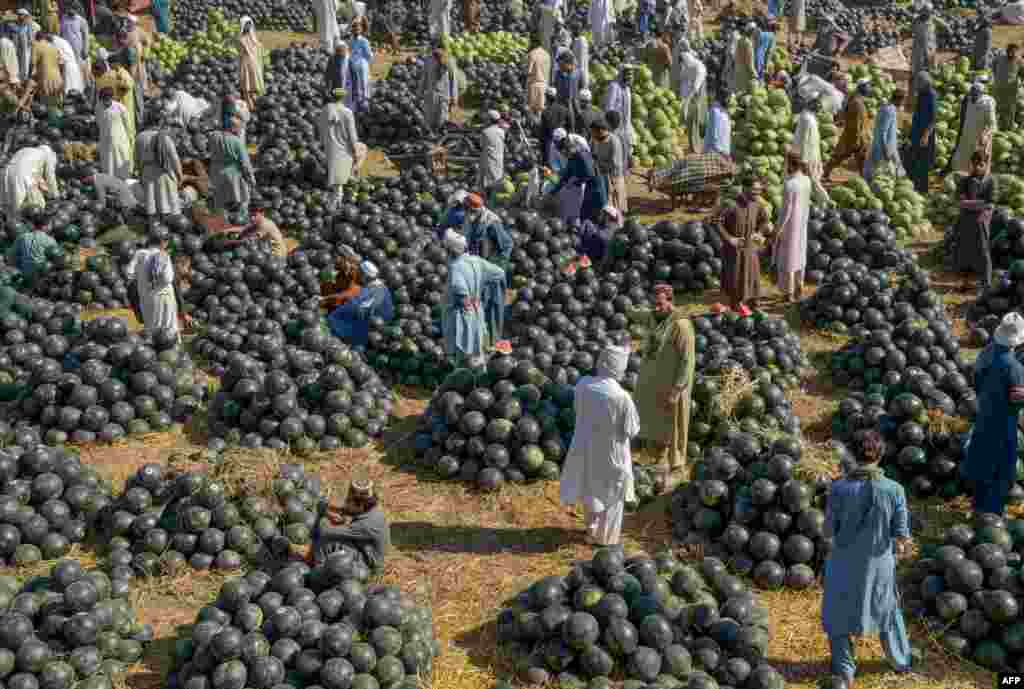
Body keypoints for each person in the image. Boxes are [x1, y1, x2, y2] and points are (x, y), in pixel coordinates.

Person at [822, 429, 915, 689]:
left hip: (843, 562)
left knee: (837, 613)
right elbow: (902, 535)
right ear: (881, 455)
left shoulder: (838, 488)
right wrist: (900, 550)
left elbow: (828, 531)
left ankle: (845, 671)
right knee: (887, 609)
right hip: (879, 564)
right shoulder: (895, 489)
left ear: (852, 454)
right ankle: (900, 660)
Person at [559, 343, 638, 546]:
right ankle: (606, 540)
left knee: (590, 488)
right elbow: (632, 429)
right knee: (612, 494)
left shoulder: (583, 385)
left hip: (585, 446)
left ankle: (591, 530)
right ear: (619, 368)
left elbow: (578, 409)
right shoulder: (622, 397)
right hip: (612, 452)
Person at [962, 313, 1024, 516]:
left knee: (981, 464)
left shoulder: (986, 353)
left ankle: (978, 507)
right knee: (1002, 473)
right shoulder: (1014, 368)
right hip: (1003, 424)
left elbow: (976, 380)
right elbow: (1017, 400)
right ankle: (991, 514)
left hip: (983, 417)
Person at [635, 285, 695, 490]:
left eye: (660, 304)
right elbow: (636, 314)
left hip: (673, 387)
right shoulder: (654, 318)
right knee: (659, 427)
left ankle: (677, 469)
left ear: (670, 301)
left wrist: (677, 389)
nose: (656, 308)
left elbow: (687, 361)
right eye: (654, 304)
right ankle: (659, 465)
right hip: (656, 386)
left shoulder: (681, 325)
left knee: (675, 427)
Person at [291, 480, 390, 572]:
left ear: (360, 505)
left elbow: (324, 531)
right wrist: (331, 508)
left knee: (326, 540)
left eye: (348, 501)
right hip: (363, 549)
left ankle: (317, 573)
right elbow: (348, 511)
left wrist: (323, 514)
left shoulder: (365, 525)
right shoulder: (371, 510)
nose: (345, 504)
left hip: (368, 563)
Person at [442, 229, 507, 366]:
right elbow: (499, 273)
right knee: (479, 350)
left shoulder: (456, 267)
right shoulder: (477, 261)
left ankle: (464, 380)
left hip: (462, 318)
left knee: (464, 355)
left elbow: (461, 291)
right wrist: (482, 288)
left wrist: (465, 302)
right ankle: (479, 376)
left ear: (450, 251)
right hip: (478, 311)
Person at [714, 171, 770, 310]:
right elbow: (717, 222)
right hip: (734, 250)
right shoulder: (731, 204)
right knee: (736, 279)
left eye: (759, 190)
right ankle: (735, 305)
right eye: (755, 190)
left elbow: (764, 220)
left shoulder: (757, 204)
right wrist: (730, 239)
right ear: (745, 188)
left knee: (752, 277)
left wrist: (759, 232)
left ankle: (753, 304)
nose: (758, 193)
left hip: (750, 248)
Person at [952, 151, 997, 291]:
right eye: (975, 164)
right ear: (971, 164)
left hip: (982, 221)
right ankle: (965, 282)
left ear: (986, 165)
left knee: (983, 252)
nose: (977, 167)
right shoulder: (965, 181)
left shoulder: (990, 182)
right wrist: (980, 204)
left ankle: (986, 283)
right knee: (964, 252)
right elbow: (961, 202)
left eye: (981, 165)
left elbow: (990, 204)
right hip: (965, 222)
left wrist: (971, 204)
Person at [327, 260, 395, 347]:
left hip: (369, 329)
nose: (356, 274)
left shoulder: (374, 292)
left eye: (358, 272)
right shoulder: (377, 286)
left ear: (364, 276)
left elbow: (357, 308)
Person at [773, 152, 811, 302]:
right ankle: (799, 285)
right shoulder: (806, 180)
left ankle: (788, 293)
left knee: (787, 259)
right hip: (802, 221)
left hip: (791, 225)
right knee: (800, 254)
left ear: (790, 164)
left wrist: (779, 228)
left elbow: (786, 210)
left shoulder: (790, 184)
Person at [126, 235, 179, 340]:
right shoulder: (163, 255)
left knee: (150, 326)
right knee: (168, 327)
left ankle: (151, 347)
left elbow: (129, 273)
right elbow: (168, 278)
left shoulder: (139, 254)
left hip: (145, 297)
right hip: (163, 295)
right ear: (163, 243)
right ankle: (169, 347)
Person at [550, 135, 606, 224]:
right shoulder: (571, 159)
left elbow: (589, 174)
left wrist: (574, 182)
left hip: (597, 190)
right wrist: (553, 191)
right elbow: (565, 177)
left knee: (598, 217)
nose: (564, 155)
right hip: (588, 190)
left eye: (564, 153)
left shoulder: (582, 155)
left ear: (568, 149)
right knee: (584, 217)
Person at [320, 87, 362, 204]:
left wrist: (323, 141)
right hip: (344, 146)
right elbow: (352, 134)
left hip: (330, 145)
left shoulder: (325, 110)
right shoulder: (347, 112)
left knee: (334, 169)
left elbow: (320, 127)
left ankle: (339, 192)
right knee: (342, 172)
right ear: (343, 98)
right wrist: (355, 148)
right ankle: (338, 200)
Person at [209, 118, 255, 221]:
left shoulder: (213, 136)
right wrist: (251, 178)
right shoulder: (237, 142)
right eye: (239, 128)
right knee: (242, 198)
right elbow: (245, 163)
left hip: (215, 171)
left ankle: (220, 221)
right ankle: (240, 220)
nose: (240, 130)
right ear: (233, 128)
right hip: (232, 173)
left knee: (220, 200)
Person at [824, 79, 870, 182]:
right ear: (862, 88)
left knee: (861, 159)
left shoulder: (858, 100)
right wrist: (857, 139)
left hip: (858, 136)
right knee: (840, 156)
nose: (869, 88)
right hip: (853, 136)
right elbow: (856, 123)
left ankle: (864, 178)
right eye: (867, 86)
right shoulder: (856, 102)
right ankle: (825, 172)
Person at [949, 82, 996, 176]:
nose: (973, 96)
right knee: (960, 161)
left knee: (977, 163)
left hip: (979, 138)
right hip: (966, 135)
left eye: (975, 94)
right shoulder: (968, 100)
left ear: (981, 93)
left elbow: (992, 124)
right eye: (972, 93)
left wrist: (986, 135)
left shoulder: (987, 103)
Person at [1, 144, 58, 221]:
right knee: (37, 204)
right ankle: (32, 226)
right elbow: (50, 175)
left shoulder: (26, 150)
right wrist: (55, 194)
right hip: (22, 174)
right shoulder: (48, 155)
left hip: (5, 173)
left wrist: (46, 190)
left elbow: (37, 177)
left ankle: (10, 225)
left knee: (9, 206)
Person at [904, 72, 937, 194]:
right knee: (913, 160)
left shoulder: (931, 95)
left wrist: (926, 136)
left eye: (919, 84)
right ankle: (913, 187)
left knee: (923, 164)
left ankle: (923, 190)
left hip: (925, 135)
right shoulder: (921, 94)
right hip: (916, 132)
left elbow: (933, 119)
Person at [138, 127, 182, 218]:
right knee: (168, 205)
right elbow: (175, 159)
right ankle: (172, 225)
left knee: (152, 206)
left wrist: (140, 174)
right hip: (163, 172)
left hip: (147, 172)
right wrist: (179, 175)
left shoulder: (139, 137)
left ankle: (155, 225)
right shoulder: (165, 137)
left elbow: (136, 159)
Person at [863, 89, 905, 183]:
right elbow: (883, 132)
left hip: (884, 145)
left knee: (891, 170)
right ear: (899, 100)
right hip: (885, 147)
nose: (903, 103)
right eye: (903, 101)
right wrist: (885, 151)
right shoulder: (889, 111)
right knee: (880, 173)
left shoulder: (885, 108)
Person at [793, 98, 829, 201]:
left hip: (811, 156)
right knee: (813, 181)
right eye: (817, 103)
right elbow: (805, 142)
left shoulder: (809, 116)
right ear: (810, 103)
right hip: (807, 157)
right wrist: (804, 161)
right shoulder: (807, 120)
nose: (820, 106)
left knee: (811, 182)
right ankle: (825, 201)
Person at [464, 193, 513, 266]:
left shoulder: (492, 223)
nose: (467, 212)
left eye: (471, 211)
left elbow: (507, 245)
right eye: (466, 209)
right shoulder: (471, 218)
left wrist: (493, 264)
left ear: (478, 210)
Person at [910, 4, 943, 110]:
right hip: (920, 50)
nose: (927, 16)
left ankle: (930, 92)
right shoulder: (918, 22)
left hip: (930, 48)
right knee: (918, 72)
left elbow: (942, 24)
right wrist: (925, 52)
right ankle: (917, 95)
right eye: (925, 14)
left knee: (931, 70)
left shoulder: (931, 19)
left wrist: (946, 28)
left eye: (928, 14)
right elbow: (921, 38)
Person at [677, 39, 707, 154]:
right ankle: (691, 143)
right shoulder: (687, 64)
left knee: (694, 116)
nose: (683, 66)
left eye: (683, 64)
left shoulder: (699, 68)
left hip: (698, 92)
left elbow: (695, 88)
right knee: (689, 118)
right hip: (691, 91)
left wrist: (686, 102)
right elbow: (683, 79)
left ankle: (696, 146)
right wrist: (683, 99)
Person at [591, 116, 626, 213]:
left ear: (601, 131)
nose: (592, 135)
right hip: (602, 175)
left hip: (613, 176)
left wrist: (608, 178)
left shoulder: (614, 141)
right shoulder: (595, 139)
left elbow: (614, 164)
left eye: (594, 132)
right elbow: (594, 154)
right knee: (606, 206)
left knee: (616, 206)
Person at [420, 45, 458, 134]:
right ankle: (431, 136)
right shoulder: (429, 60)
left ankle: (441, 137)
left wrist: (454, 97)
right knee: (430, 118)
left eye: (441, 50)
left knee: (442, 119)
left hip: (444, 95)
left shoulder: (450, 61)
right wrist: (419, 93)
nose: (438, 51)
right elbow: (424, 78)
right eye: (436, 50)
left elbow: (453, 80)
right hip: (431, 94)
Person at [96, 86, 132, 179]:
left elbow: (128, 125)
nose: (105, 102)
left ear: (112, 98)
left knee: (121, 163)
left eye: (107, 99)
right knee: (108, 165)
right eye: (103, 99)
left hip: (120, 141)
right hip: (105, 141)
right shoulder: (98, 107)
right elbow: (99, 123)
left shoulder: (120, 108)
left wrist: (130, 138)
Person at [603, 65, 633, 171]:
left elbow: (628, 111)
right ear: (621, 74)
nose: (630, 76)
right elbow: (609, 108)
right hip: (615, 127)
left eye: (631, 74)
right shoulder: (614, 87)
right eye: (628, 74)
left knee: (624, 152)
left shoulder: (627, 89)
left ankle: (622, 172)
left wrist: (629, 129)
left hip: (625, 127)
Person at [11, 220, 59, 286]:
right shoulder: (50, 240)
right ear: (45, 226)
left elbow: (12, 255)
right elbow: (56, 259)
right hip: (41, 277)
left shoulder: (23, 237)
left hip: (24, 274)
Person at [477, 111, 507, 205]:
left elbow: (481, 145)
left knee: (486, 183)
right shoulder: (502, 131)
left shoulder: (485, 132)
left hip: (488, 159)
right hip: (499, 159)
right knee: (496, 180)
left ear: (489, 120)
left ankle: (487, 202)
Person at [237, 17, 264, 112]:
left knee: (249, 87)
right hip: (250, 64)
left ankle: (253, 105)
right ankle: (254, 105)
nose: (248, 27)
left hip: (249, 63)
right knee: (250, 86)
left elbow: (242, 53)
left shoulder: (246, 37)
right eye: (247, 25)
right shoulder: (248, 38)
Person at [31, 32, 64, 111]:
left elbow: (32, 64)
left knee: (46, 107)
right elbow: (61, 64)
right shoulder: (54, 47)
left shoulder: (36, 45)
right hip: (57, 78)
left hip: (45, 78)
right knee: (58, 105)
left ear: (37, 39)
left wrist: (31, 77)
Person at [993, 44, 1020, 131]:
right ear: (1007, 51)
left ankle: (1008, 128)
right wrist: (996, 76)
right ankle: (995, 127)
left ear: (1016, 53)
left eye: (1014, 52)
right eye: (1010, 52)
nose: (1012, 54)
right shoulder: (1000, 58)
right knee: (997, 108)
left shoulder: (1019, 61)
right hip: (999, 88)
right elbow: (993, 65)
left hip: (1011, 91)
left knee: (1010, 110)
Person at [349, 19, 373, 115]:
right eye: (354, 28)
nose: (356, 30)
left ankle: (365, 102)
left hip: (361, 64)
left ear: (361, 30)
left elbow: (368, 54)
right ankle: (358, 103)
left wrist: (366, 61)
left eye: (358, 28)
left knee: (363, 83)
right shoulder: (351, 41)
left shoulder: (364, 41)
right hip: (354, 64)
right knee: (356, 83)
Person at [525, 37, 551, 127]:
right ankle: (540, 128)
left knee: (531, 109)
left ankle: (532, 128)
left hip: (534, 83)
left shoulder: (532, 54)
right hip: (544, 84)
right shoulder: (547, 54)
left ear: (533, 43)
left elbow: (529, 72)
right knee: (540, 109)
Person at [553, 49, 580, 130]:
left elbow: (577, 94)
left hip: (572, 106)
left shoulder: (576, 74)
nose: (559, 66)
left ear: (568, 63)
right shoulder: (559, 74)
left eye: (561, 64)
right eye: (559, 64)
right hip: (560, 105)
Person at [540, 90, 570, 164]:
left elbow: (543, 132)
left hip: (550, 143)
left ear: (547, 98)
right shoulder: (564, 109)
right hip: (563, 142)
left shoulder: (545, 112)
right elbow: (570, 125)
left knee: (550, 166)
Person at [704, 90, 731, 157]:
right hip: (715, 150)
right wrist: (716, 148)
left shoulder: (725, 112)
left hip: (724, 149)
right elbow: (714, 131)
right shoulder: (715, 111)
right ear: (721, 98)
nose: (729, 100)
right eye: (727, 98)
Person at [734, 23, 756, 95]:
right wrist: (754, 73)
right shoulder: (748, 43)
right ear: (752, 32)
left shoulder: (740, 39)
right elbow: (749, 61)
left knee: (738, 90)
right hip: (745, 71)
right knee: (744, 93)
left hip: (738, 68)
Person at [13, 10, 32, 83]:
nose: (20, 16)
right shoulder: (15, 25)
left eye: (22, 15)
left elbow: (30, 39)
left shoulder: (28, 25)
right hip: (17, 48)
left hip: (25, 49)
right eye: (19, 15)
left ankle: (24, 79)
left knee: (25, 64)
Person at [0, 20, 19, 86]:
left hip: (10, 75)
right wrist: (8, 74)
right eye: (13, 32)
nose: (15, 35)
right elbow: (4, 59)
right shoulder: (5, 42)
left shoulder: (8, 42)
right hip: (8, 76)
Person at [722, 29, 738, 96]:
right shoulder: (735, 37)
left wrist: (730, 65)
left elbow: (731, 53)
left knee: (730, 81)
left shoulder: (733, 39)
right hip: (732, 63)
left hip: (731, 64)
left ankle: (731, 95)